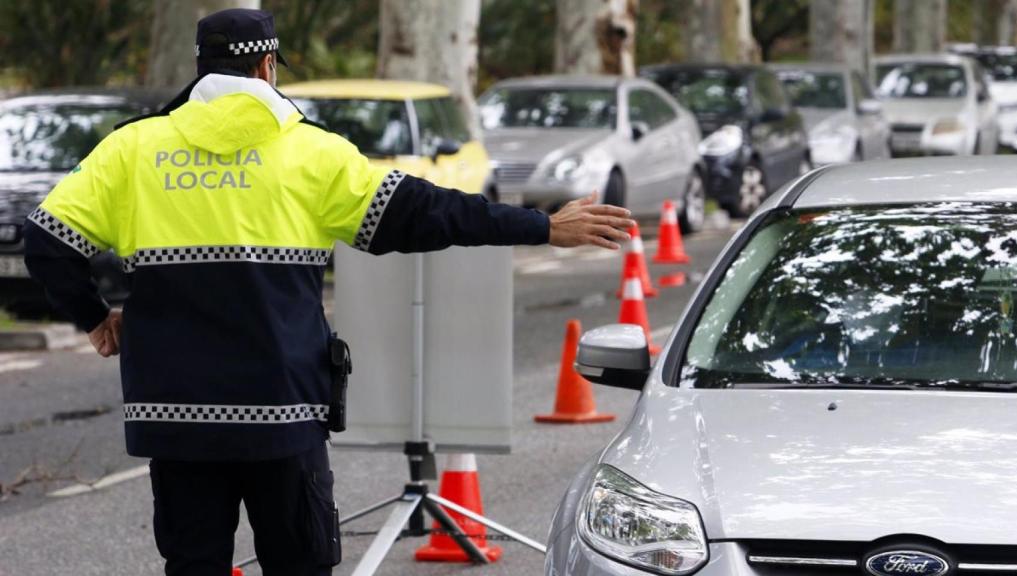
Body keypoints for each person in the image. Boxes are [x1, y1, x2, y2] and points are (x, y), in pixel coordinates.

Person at [22, 8, 633, 576]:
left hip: (176, 417)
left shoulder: (132, 151)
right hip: (282, 411)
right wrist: (544, 225)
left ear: (201, 67)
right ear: (267, 67)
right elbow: (428, 211)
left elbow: (46, 239)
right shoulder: (311, 152)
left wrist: (96, 318)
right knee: (301, 562)